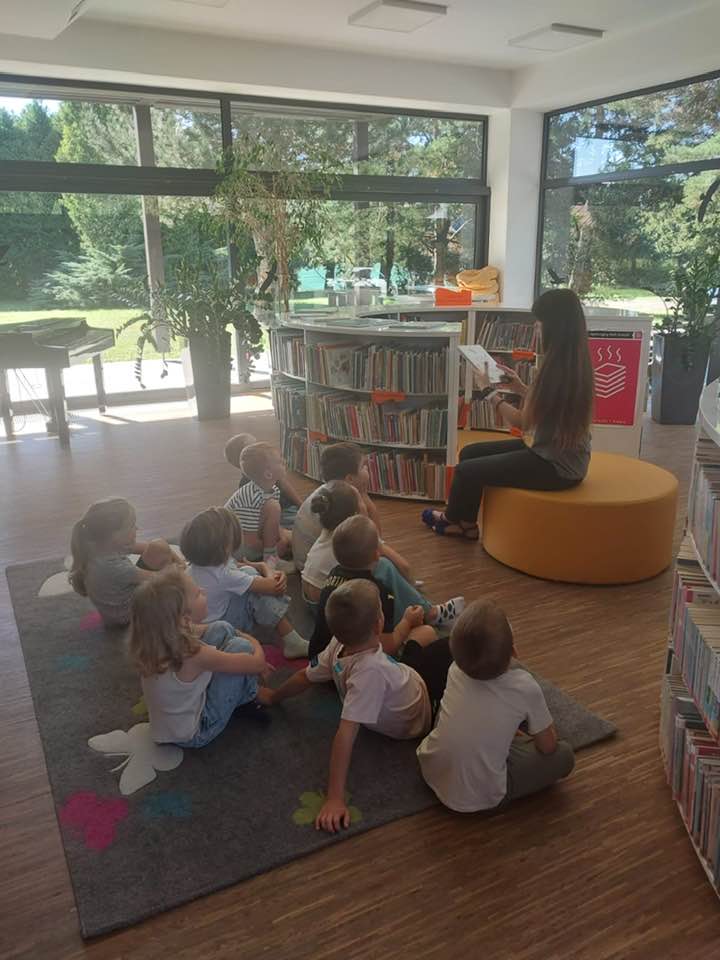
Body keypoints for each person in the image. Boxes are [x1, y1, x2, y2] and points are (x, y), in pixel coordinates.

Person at [423, 289, 594, 540]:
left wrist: (489, 391)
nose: (536, 327)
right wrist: (520, 387)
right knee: (470, 453)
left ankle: (453, 522)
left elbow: (521, 422)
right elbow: (549, 407)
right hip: (560, 453)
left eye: (540, 322)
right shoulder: (572, 361)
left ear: (554, 326)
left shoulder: (555, 371)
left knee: (466, 470)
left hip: (556, 467)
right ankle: (466, 523)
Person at [268, 579, 433, 833]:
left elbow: (304, 676)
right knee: (429, 635)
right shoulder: (371, 671)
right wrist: (335, 798)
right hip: (422, 707)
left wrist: (273, 696)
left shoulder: (338, 644)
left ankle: (413, 642)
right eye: (381, 610)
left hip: (398, 683)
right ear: (378, 625)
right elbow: (345, 735)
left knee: (419, 640)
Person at [417, 600, 575, 812]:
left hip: (431, 768)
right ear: (514, 652)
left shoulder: (455, 669)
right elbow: (548, 746)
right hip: (482, 796)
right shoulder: (524, 686)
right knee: (564, 755)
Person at [130, 569, 273, 748]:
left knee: (220, 628)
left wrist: (243, 645)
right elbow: (257, 664)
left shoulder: (159, 637)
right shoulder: (194, 653)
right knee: (242, 647)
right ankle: (249, 696)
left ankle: (246, 689)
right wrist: (255, 645)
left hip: (169, 726)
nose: (204, 591)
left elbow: (215, 629)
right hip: (197, 732)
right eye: (198, 593)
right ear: (184, 618)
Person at [310, 514, 463, 661]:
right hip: (352, 665)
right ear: (377, 553)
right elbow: (388, 646)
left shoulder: (333, 574)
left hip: (321, 656)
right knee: (426, 633)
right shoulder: (377, 594)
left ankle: (429, 612)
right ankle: (427, 614)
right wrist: (407, 621)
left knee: (384, 566)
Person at [181, 507, 309, 660]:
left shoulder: (194, 567)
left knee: (247, 572)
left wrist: (255, 567)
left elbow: (236, 566)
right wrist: (265, 567)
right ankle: (291, 640)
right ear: (226, 546)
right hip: (221, 630)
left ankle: (278, 631)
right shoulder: (223, 575)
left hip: (203, 627)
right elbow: (273, 587)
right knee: (255, 588)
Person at [69, 497, 182, 627]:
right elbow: (161, 579)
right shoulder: (115, 567)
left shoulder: (101, 546)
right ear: (115, 535)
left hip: (115, 609)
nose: (137, 528)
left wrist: (177, 560)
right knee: (175, 587)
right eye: (132, 526)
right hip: (127, 617)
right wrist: (179, 570)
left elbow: (151, 547)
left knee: (158, 545)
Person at [301, 481, 413, 604]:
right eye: (360, 499)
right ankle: (422, 607)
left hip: (311, 600)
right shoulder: (357, 536)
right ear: (355, 513)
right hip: (334, 606)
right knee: (384, 566)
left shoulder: (329, 531)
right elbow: (405, 567)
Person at [291, 441, 383, 571]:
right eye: (363, 466)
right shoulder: (343, 503)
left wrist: (363, 493)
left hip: (308, 561)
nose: (367, 469)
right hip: (317, 567)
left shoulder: (330, 491)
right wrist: (363, 494)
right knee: (384, 566)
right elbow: (373, 540)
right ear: (350, 478)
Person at [224, 441, 294, 570]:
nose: (284, 461)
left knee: (289, 537)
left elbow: (271, 523)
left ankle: (272, 553)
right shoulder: (251, 498)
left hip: (249, 537)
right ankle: (271, 561)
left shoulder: (270, 489)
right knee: (283, 541)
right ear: (268, 474)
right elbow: (250, 541)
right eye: (279, 462)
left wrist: (280, 537)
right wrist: (276, 545)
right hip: (237, 548)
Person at [224, 432, 302, 530]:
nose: (261, 446)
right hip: (279, 515)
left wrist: (301, 504)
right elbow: (259, 519)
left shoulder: (270, 474)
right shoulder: (247, 488)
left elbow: (284, 485)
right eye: (255, 445)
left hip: (287, 508)